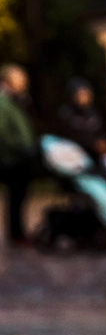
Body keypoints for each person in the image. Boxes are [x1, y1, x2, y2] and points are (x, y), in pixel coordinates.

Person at [0, 65, 36, 243]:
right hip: (11, 158)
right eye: (20, 80)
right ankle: (16, 235)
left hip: (20, 156)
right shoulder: (3, 102)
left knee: (20, 197)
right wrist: (22, 147)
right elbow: (4, 132)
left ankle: (18, 233)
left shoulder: (16, 101)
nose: (23, 84)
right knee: (15, 197)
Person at [57, 78, 106, 161]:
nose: (84, 97)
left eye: (86, 94)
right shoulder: (66, 114)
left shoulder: (93, 113)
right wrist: (93, 144)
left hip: (97, 158)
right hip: (74, 158)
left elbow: (100, 133)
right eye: (80, 94)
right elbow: (68, 139)